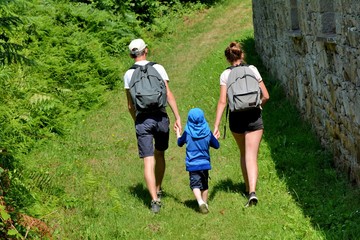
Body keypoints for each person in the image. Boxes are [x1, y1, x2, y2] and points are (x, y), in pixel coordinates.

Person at [124, 38, 182, 213]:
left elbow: (129, 105)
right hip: (161, 118)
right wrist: (177, 117)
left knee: (148, 160)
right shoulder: (158, 68)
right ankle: (158, 188)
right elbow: (168, 94)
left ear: (131, 55)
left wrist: (137, 120)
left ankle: (154, 200)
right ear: (146, 51)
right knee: (160, 154)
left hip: (143, 120)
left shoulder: (128, 74)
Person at [213, 41, 269, 207]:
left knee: (244, 153)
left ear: (228, 59)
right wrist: (258, 106)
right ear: (241, 54)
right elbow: (266, 95)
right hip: (254, 116)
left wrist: (216, 125)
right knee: (252, 155)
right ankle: (252, 191)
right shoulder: (252, 70)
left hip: (236, 118)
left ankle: (246, 188)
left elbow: (223, 102)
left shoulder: (225, 75)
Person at [175, 108, 220, 214]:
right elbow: (216, 146)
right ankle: (205, 203)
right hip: (205, 164)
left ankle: (200, 202)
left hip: (193, 164)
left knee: (195, 184)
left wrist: (178, 133)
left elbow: (179, 143)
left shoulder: (187, 133)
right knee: (204, 185)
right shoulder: (207, 132)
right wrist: (215, 138)